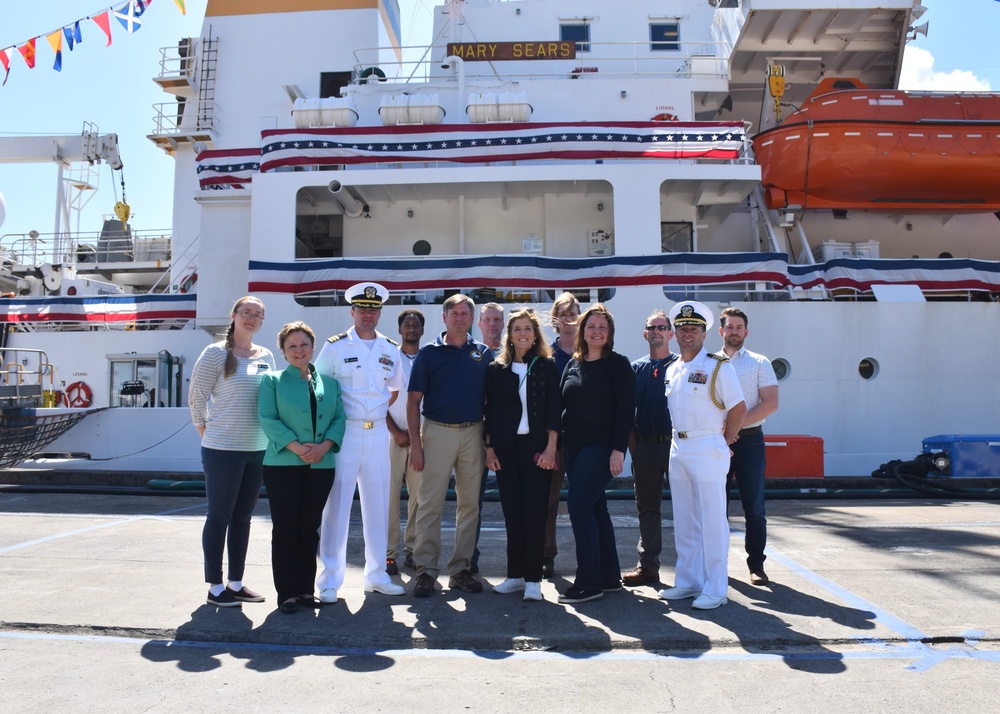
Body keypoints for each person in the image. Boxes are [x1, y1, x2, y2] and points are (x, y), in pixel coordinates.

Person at [314, 282, 406, 603]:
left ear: (380, 312)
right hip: (345, 433)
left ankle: (377, 575)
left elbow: (393, 389)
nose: (369, 314)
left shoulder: (389, 349)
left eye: (374, 309)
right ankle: (329, 580)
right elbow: (318, 388)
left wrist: (376, 410)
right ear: (352, 311)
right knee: (336, 507)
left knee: (379, 505)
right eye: (363, 309)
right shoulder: (335, 347)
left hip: (378, 432)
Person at [658, 301, 746, 611]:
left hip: (707, 446)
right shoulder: (673, 369)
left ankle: (716, 587)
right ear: (675, 333)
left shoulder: (718, 367)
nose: (687, 334)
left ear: (704, 333)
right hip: (678, 446)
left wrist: (725, 438)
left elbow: (738, 408)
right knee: (685, 518)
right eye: (682, 329)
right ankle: (688, 581)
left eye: (693, 329)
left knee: (712, 521)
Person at [189, 296, 276, 608]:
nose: (251, 319)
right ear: (234, 315)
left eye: (257, 315)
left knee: (243, 517)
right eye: (246, 313)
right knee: (219, 516)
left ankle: (236, 583)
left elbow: (270, 402)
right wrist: (210, 436)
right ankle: (214, 586)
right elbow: (196, 399)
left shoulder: (265, 356)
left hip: (257, 450)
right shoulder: (214, 353)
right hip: (223, 450)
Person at [407, 294, 493, 597]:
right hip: (436, 432)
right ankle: (426, 571)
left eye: (464, 314)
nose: (459, 318)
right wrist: (416, 446)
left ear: (472, 319)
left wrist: (489, 442)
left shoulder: (482, 353)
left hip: (473, 433)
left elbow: (491, 402)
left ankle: (460, 570)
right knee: (429, 503)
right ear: (444, 318)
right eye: (453, 313)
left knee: (469, 505)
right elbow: (413, 400)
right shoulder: (429, 353)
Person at [258, 322, 347, 614]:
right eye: (292, 346)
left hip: (321, 465)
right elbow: (268, 419)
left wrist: (323, 447)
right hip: (283, 464)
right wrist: (297, 447)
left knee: (309, 528)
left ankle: (306, 591)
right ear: (283, 352)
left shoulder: (330, 384)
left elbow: (339, 419)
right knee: (285, 529)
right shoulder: (271, 381)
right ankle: (287, 593)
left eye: (304, 345)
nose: (299, 351)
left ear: (313, 346)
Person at [558, 304, 636, 604]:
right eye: (591, 326)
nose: (597, 331)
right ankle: (608, 576)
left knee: (578, 507)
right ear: (582, 330)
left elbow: (626, 411)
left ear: (610, 333)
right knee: (596, 508)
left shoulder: (618, 364)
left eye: (603, 327)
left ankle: (588, 583)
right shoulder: (574, 363)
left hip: (602, 447)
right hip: (574, 448)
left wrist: (618, 451)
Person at [484, 308, 561, 602]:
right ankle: (514, 576)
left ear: (535, 333)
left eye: (527, 328)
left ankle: (533, 579)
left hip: (537, 449)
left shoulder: (546, 366)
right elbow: (489, 412)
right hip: (505, 449)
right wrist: (489, 448)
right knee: (512, 514)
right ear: (510, 335)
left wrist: (551, 448)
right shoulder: (496, 369)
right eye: (517, 329)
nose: (522, 334)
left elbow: (555, 409)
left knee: (535, 513)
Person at [718, 307, 779, 586]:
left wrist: (734, 429)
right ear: (721, 331)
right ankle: (717, 565)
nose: (734, 331)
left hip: (750, 440)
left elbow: (770, 402)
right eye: (729, 327)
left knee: (754, 506)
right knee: (716, 506)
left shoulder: (759, 362)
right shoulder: (709, 362)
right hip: (715, 441)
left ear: (746, 331)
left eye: (739, 327)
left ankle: (756, 565)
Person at [622, 310, 678, 587]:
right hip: (646, 448)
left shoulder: (682, 365)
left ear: (670, 333)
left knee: (688, 509)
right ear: (645, 334)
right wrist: (636, 448)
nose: (656, 331)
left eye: (661, 327)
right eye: (651, 327)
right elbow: (625, 412)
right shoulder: (636, 369)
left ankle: (696, 568)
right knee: (647, 509)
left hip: (678, 448)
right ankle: (648, 567)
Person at [542, 291, 580, 578]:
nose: (569, 318)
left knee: (583, 500)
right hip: (552, 439)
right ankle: (546, 555)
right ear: (556, 318)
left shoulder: (589, 351)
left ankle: (589, 558)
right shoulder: (546, 355)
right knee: (549, 500)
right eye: (563, 313)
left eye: (573, 312)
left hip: (582, 438)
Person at [386, 309, 425, 574]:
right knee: (387, 498)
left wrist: (416, 437)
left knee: (419, 498)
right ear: (399, 330)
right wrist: (395, 431)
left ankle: (413, 550)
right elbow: (377, 399)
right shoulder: (388, 358)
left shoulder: (430, 358)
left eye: (416, 324)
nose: (411, 328)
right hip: (390, 437)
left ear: (422, 330)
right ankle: (389, 553)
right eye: (407, 324)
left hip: (422, 439)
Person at [472, 301, 505, 574]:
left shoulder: (514, 354)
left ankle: (522, 561)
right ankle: (469, 558)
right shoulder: (471, 353)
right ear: (479, 324)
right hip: (475, 437)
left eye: (497, 320)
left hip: (508, 438)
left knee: (517, 501)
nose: (492, 324)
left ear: (503, 324)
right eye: (488, 320)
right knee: (472, 501)